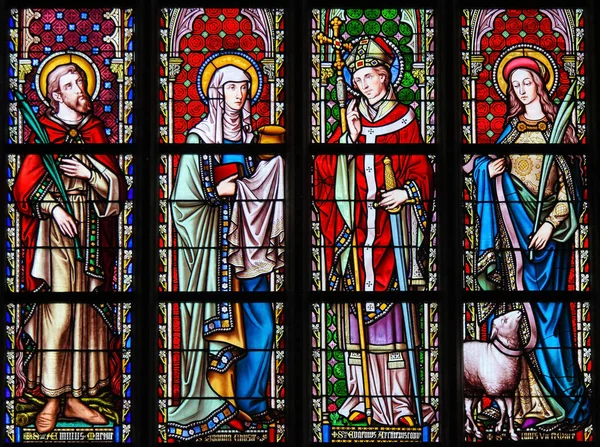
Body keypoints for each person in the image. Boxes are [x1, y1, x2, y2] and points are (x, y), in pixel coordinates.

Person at [313, 37, 435, 427]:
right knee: (355, 320)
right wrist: (347, 137)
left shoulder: (404, 119)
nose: (363, 84)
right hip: (353, 234)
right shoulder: (350, 119)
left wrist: (406, 192)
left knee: (392, 321)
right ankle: (359, 397)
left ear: (386, 76)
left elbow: (421, 169)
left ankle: (399, 403)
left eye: (369, 76)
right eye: (357, 78)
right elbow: (324, 173)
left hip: (390, 232)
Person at [466, 55, 590, 432]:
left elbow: (572, 191)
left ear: (540, 83)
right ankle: (520, 407)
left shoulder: (559, 132)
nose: (520, 89)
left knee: (547, 320)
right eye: (514, 85)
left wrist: (551, 226)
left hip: (545, 244)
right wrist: (491, 171)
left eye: (526, 81)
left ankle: (563, 401)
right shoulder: (512, 132)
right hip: (511, 239)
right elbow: (477, 169)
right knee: (512, 315)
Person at [167, 60, 284, 440]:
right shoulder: (199, 140)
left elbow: (260, 186)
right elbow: (182, 203)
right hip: (211, 252)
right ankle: (215, 405)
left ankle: (251, 404)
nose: (241, 94)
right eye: (233, 87)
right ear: (216, 92)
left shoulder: (253, 138)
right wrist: (217, 194)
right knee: (217, 329)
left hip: (252, 247)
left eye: (245, 87)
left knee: (263, 327)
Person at [12, 61, 125, 433]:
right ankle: (51, 396)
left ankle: (75, 397)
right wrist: (54, 206)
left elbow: (116, 187)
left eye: (82, 82)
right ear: (56, 95)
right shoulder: (42, 133)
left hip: (90, 229)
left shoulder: (96, 132)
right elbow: (23, 189)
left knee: (84, 316)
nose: (82, 90)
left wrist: (90, 174)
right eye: (72, 84)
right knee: (58, 314)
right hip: (54, 233)